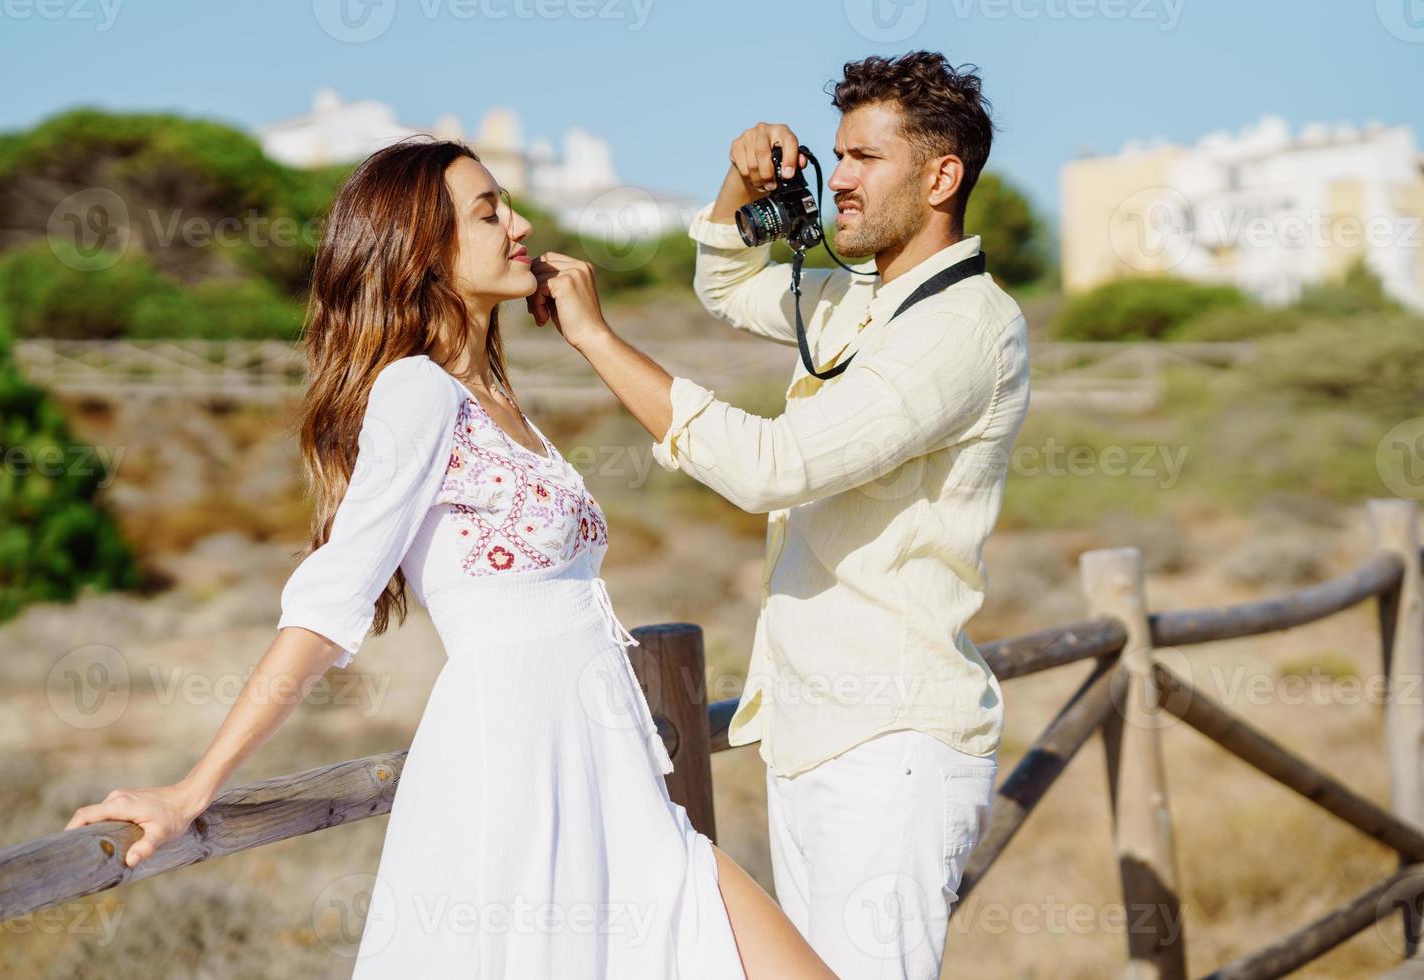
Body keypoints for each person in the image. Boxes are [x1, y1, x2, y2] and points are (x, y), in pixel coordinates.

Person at [64, 138, 836, 979]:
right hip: (516, 769)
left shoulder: (497, 401)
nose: (522, 224)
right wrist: (192, 790)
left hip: (612, 781)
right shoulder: (416, 391)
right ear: (423, 250)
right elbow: (331, 600)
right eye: (489, 210)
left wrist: (592, 336)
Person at [528, 51, 1031, 978]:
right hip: (819, 733)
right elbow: (725, 285)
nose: (836, 178)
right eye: (836, 154)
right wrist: (739, 182)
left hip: (889, 748)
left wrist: (596, 338)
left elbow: (774, 467)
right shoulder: (866, 296)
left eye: (864, 160)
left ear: (941, 176)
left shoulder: (961, 329)